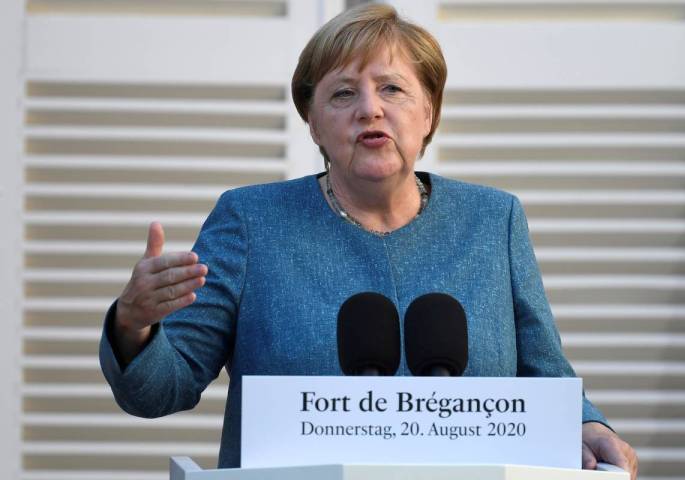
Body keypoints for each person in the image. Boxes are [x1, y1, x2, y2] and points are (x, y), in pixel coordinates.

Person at [99, 4, 638, 477]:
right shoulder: (250, 220)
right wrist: (134, 324)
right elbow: (161, 389)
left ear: (429, 114)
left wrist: (588, 424)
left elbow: (545, 374)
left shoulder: (493, 220)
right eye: (342, 93)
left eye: (392, 88)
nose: (369, 109)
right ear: (313, 123)